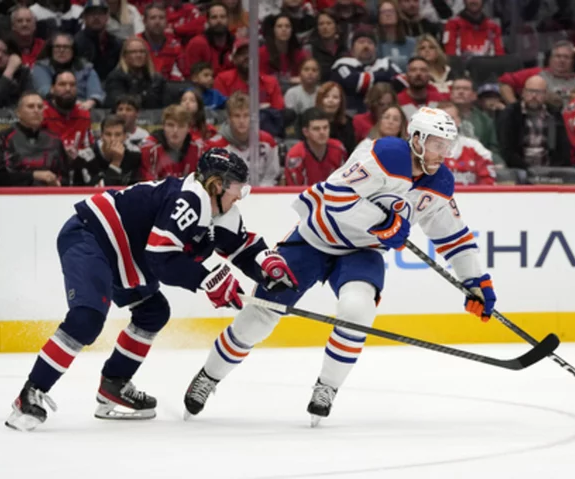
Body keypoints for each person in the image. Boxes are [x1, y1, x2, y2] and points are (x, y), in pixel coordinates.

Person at [183, 107, 497, 425]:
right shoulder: (385, 154)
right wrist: (382, 221)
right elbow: (335, 195)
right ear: (415, 138)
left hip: (361, 252)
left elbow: (454, 236)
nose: (443, 153)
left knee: (357, 311)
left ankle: (327, 387)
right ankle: (209, 376)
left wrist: (476, 281)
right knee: (261, 314)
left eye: (447, 145)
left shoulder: (440, 183)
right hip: (314, 238)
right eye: (436, 143)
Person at [4, 148, 298, 431]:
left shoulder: (220, 211)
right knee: (86, 318)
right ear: (217, 184)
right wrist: (208, 279)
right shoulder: (190, 200)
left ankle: (114, 385)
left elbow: (241, 246)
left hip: (126, 254)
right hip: (91, 236)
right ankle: (30, 393)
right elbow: (161, 259)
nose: (239, 196)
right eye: (238, 188)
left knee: (152, 311)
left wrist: (266, 265)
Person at [0, 92, 68, 187]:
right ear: (18, 113)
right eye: (31, 107)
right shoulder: (3, 138)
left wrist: (57, 183)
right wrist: (34, 175)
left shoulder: (55, 139)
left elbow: (65, 177)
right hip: (12, 197)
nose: (36, 111)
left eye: (40, 107)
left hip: (48, 196)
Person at [285, 107, 348, 185]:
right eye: (316, 129)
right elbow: (292, 191)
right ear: (306, 132)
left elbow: (345, 182)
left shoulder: (339, 148)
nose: (322, 132)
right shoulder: (295, 155)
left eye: (325, 127)